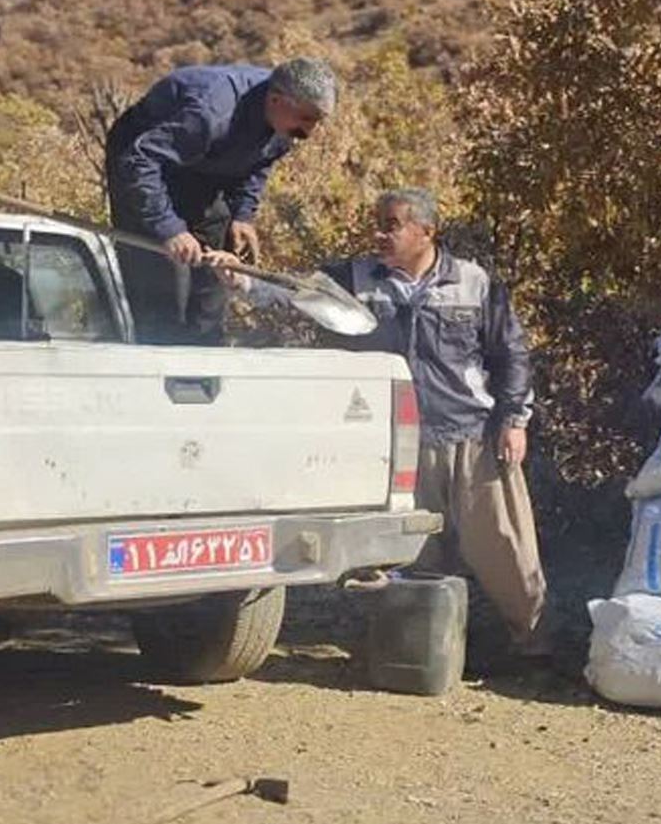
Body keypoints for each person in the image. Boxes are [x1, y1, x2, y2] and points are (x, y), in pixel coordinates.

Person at [207, 188, 551, 661]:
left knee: (505, 548)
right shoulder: (353, 280)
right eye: (378, 224)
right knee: (414, 553)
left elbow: (511, 354)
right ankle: (423, 648)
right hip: (395, 442)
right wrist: (241, 279)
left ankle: (533, 645)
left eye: (392, 225)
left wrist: (514, 420)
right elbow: (293, 293)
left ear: (427, 231)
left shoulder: (473, 282)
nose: (379, 235)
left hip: (470, 436)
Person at [105, 57, 337, 345]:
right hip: (146, 159)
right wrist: (169, 228)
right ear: (276, 100)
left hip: (206, 166)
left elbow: (260, 161)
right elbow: (140, 162)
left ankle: (205, 349)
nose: (310, 132)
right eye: (306, 119)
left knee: (216, 270)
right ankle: (159, 350)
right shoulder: (212, 112)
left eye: (317, 121)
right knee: (160, 278)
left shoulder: (286, 123)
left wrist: (243, 214)